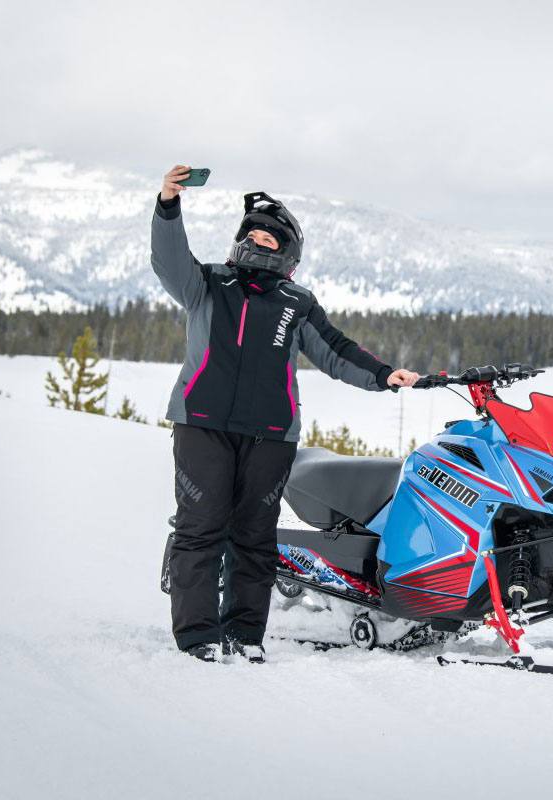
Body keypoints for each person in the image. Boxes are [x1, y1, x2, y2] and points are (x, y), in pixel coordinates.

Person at [151, 165, 419, 663]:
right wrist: (169, 204)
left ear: (288, 251)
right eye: (251, 234)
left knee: (255, 537)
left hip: (271, 435)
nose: (258, 242)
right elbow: (168, 261)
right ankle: (197, 637)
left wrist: (384, 375)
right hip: (202, 426)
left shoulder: (296, 303)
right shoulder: (206, 285)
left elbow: (335, 350)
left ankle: (245, 636)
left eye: (269, 239)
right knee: (202, 528)